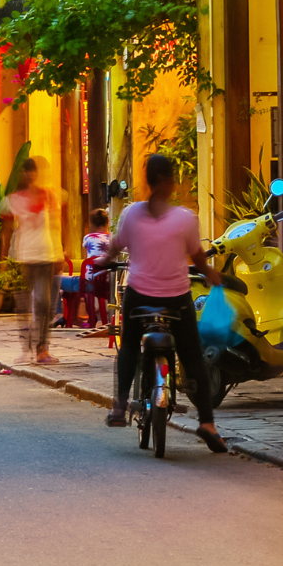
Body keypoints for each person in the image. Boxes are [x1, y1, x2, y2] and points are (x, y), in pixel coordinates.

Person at [93, 153, 229, 453]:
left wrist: (103, 262)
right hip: (176, 300)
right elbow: (198, 258)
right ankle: (207, 423)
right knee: (193, 357)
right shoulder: (185, 218)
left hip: (139, 297)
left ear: (148, 181)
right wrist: (211, 275)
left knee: (129, 347)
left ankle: (120, 407)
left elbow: (114, 248)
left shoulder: (130, 214)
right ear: (169, 182)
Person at [0, 156, 64, 366]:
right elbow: (6, 231)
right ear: (24, 174)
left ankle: (42, 349)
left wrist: (60, 252)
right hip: (25, 256)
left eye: (36, 171)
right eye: (29, 171)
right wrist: (3, 259)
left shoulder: (49, 195)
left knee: (44, 303)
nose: (33, 175)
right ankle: (26, 348)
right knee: (24, 305)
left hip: (47, 255)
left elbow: (56, 224)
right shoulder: (14, 199)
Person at [81, 208, 111, 331]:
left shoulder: (88, 238)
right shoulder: (112, 239)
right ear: (107, 221)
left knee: (84, 286)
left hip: (90, 279)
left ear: (92, 224)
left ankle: (91, 317)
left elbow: (87, 250)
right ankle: (107, 318)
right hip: (108, 279)